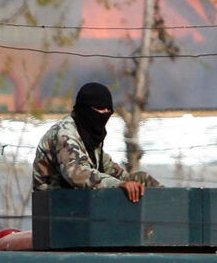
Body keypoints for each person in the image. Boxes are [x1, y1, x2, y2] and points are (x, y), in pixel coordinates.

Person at [32, 82, 161, 202]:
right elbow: (77, 174)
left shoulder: (90, 138)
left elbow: (114, 173)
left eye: (108, 110)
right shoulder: (65, 134)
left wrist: (132, 183)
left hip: (80, 204)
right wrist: (119, 185)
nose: (104, 114)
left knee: (142, 181)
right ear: (85, 109)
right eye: (99, 109)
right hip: (56, 207)